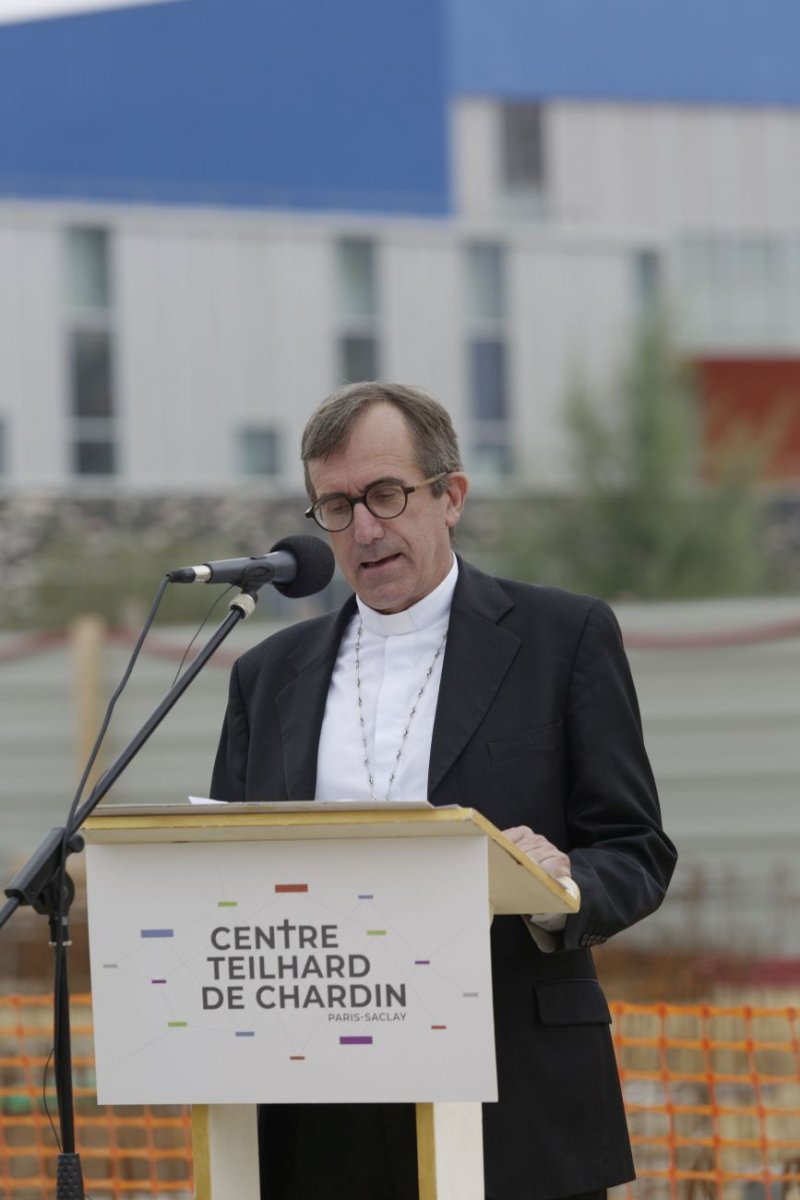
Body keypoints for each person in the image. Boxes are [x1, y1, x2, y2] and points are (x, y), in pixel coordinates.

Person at [210, 381, 677, 1200]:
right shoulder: (266, 675)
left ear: (450, 495)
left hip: (511, 1093)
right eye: (336, 504)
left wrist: (556, 884)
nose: (363, 529)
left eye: (386, 495)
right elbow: (229, 873)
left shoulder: (561, 639)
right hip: (318, 1106)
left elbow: (637, 850)